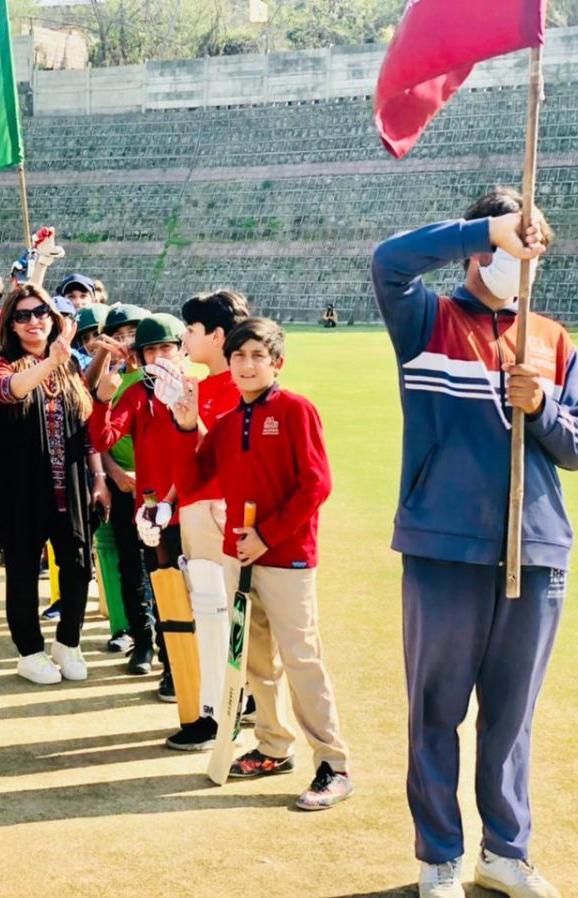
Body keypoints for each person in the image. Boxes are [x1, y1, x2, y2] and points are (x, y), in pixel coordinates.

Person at [371, 188, 578, 898]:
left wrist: (545, 407)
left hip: (535, 551)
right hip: (444, 548)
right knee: (437, 709)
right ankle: (440, 856)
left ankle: (506, 851)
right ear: (482, 247)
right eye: (511, 242)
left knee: (512, 715)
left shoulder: (554, 339)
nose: (523, 259)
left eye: (534, 244)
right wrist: (486, 228)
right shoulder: (426, 318)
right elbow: (388, 262)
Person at [170, 317, 352, 812]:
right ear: (228, 364)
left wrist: (267, 534)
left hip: (287, 558)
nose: (247, 365)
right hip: (238, 559)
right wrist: (187, 427)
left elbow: (316, 485)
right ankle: (273, 746)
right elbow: (193, 480)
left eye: (257, 356)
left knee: (301, 659)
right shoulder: (228, 423)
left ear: (277, 363)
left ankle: (333, 763)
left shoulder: (295, 411)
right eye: (239, 356)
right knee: (254, 660)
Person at [0, 284, 110, 685]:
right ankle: (30, 651)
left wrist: (99, 477)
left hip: (69, 482)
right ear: (10, 325)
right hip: (20, 486)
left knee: (77, 565)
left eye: (40, 312)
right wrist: (49, 362)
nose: (33, 321)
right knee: (21, 571)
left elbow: (86, 423)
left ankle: (68, 642)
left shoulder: (69, 364)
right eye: (22, 315)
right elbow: (9, 391)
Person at [153, 290, 248, 751]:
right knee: (208, 611)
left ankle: (220, 709)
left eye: (191, 330)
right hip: (194, 509)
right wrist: (168, 502)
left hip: (218, 512)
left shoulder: (237, 387)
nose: (184, 339)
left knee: (219, 613)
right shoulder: (204, 387)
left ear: (216, 335)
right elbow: (187, 458)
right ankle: (222, 704)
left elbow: (224, 456)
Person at [91, 313, 190, 714]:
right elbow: (103, 437)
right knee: (164, 592)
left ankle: (206, 673)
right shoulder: (135, 392)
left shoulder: (195, 389)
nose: (159, 355)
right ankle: (172, 667)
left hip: (194, 508)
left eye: (166, 346)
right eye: (150, 349)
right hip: (153, 514)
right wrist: (103, 397)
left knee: (200, 595)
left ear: (181, 349)